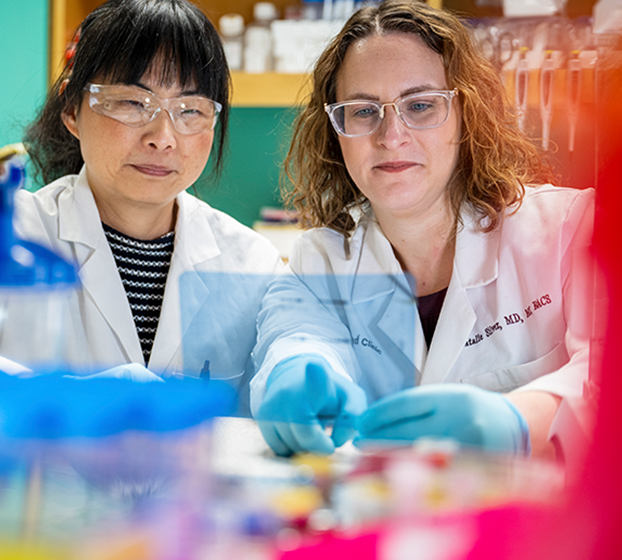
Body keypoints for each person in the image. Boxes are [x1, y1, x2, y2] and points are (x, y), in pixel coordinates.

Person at [0, 0, 284, 413]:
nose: (163, 138)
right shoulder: (9, 232)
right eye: (133, 103)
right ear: (72, 109)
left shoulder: (253, 263)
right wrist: (63, 398)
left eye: (191, 110)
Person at [250, 0, 594, 458]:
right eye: (363, 111)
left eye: (420, 105)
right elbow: (295, 337)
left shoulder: (569, 230)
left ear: (466, 113)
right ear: (336, 129)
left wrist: (520, 420)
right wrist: (293, 371)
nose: (391, 136)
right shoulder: (321, 261)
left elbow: (608, 371)